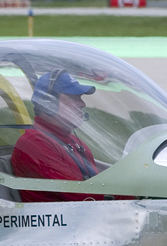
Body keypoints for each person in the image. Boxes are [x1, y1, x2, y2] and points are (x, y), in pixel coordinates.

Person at [10, 70, 107, 202]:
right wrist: (129, 193)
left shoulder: (75, 143)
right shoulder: (35, 143)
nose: (82, 104)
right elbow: (80, 195)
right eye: (74, 97)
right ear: (49, 104)